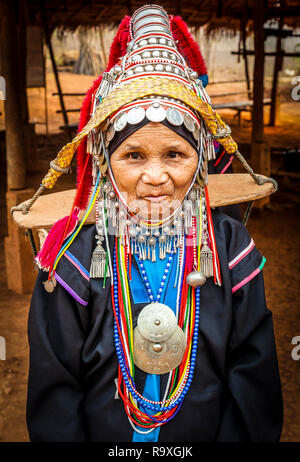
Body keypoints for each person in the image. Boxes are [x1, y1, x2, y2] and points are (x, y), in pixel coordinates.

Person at [24, 5, 283, 442]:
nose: (156, 177)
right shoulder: (74, 255)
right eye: (134, 155)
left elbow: (253, 376)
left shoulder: (229, 246)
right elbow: (56, 390)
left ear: (200, 161)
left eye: (175, 155)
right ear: (106, 163)